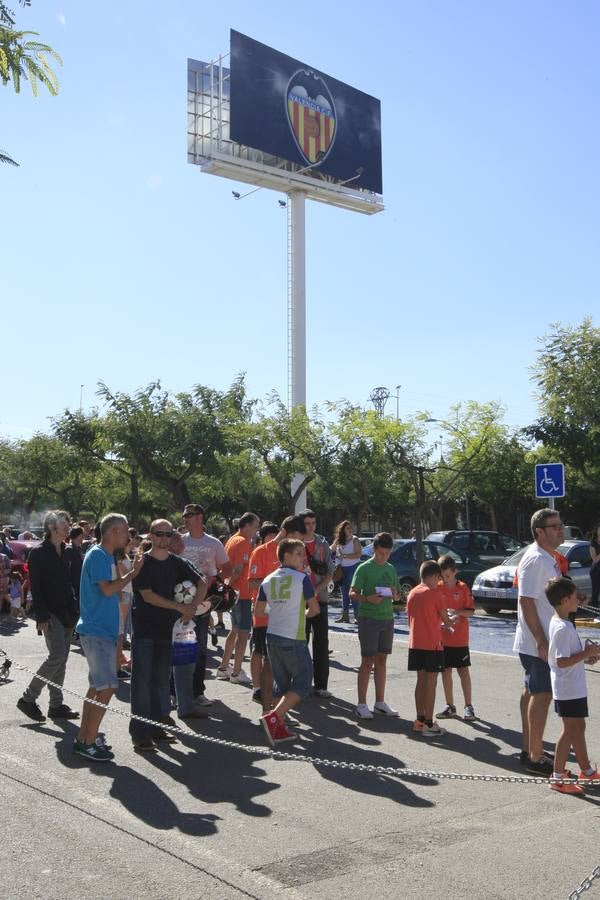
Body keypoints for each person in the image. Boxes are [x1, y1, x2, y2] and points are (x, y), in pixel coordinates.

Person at [129, 519, 207, 751]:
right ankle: (140, 733)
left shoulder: (178, 563)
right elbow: (148, 595)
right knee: (141, 683)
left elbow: (201, 582)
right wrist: (179, 607)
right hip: (144, 630)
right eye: (159, 534)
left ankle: (156, 728)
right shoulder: (142, 563)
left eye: (168, 534)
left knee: (160, 682)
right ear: (151, 536)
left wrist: (192, 607)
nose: (164, 538)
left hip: (168, 632)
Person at [75, 514, 144, 762]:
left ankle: (85, 738)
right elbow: (107, 589)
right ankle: (88, 741)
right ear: (114, 532)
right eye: (125, 531)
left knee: (97, 687)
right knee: (108, 687)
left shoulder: (104, 555)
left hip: (100, 631)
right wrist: (132, 573)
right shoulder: (99, 555)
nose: (128, 536)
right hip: (96, 631)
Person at [513, 508, 565, 775]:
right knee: (542, 694)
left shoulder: (547, 557)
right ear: (539, 532)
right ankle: (534, 757)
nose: (560, 529)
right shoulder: (536, 560)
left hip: (537, 640)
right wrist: (542, 641)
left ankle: (528, 748)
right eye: (554, 526)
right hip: (538, 642)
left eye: (560, 524)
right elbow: (526, 602)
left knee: (532, 692)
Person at [16, 511, 80, 723]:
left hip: (69, 612)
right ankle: (28, 698)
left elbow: (77, 584)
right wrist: (41, 616)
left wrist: (80, 610)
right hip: (50, 613)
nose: (68, 526)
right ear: (52, 526)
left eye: (69, 522)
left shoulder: (70, 551)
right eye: (64, 522)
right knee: (56, 657)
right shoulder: (38, 553)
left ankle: (56, 705)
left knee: (61, 660)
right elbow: (37, 586)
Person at [255, 538, 319, 746]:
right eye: (299, 553)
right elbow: (315, 610)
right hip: (293, 637)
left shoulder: (268, 579)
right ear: (286, 556)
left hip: (272, 635)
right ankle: (273, 718)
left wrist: (279, 610)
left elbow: (258, 611)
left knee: (281, 684)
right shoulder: (302, 578)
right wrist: (301, 613)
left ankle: (276, 726)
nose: (303, 557)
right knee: (302, 683)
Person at [546, 576, 600, 794]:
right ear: (566, 600)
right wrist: (586, 653)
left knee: (579, 727)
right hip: (567, 688)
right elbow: (560, 661)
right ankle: (558, 776)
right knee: (569, 730)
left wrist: (586, 657)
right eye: (575, 595)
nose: (579, 598)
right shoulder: (561, 628)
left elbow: (568, 657)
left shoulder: (564, 623)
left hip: (573, 686)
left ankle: (586, 770)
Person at [180, 502, 232, 704]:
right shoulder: (179, 541)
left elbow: (227, 568)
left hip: (203, 603)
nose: (185, 518)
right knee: (181, 647)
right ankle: (176, 692)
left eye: (189, 514)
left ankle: (197, 692)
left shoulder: (213, 543)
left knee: (200, 648)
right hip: (181, 602)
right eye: (184, 515)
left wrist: (215, 578)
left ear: (200, 517)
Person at [349, 531, 399, 718]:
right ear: (374, 550)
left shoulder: (391, 569)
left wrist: (395, 594)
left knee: (382, 660)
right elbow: (352, 593)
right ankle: (361, 704)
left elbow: (398, 596)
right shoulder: (364, 568)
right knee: (367, 661)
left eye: (387, 554)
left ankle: (380, 701)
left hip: (387, 618)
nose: (383, 557)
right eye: (380, 553)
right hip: (368, 618)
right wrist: (367, 598)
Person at [406, 560, 454, 737]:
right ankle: (428, 722)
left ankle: (419, 720)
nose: (439, 582)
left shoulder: (411, 593)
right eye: (438, 578)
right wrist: (454, 619)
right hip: (432, 644)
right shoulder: (435, 594)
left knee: (421, 681)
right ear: (434, 576)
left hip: (415, 643)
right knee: (431, 683)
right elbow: (447, 620)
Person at [217, 512, 260, 685]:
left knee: (235, 630)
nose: (257, 530)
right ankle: (236, 672)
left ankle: (223, 667)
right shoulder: (242, 541)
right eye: (256, 526)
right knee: (243, 634)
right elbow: (238, 569)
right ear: (247, 525)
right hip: (241, 594)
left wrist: (227, 588)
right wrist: (229, 587)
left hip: (235, 593)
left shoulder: (232, 539)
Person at [435, 555, 476, 721]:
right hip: (442, 638)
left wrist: (457, 613)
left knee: (463, 671)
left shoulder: (463, 588)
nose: (444, 579)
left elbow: (471, 611)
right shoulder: (437, 588)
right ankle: (450, 705)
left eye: (447, 576)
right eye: (442, 576)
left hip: (459, 638)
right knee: (445, 671)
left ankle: (468, 706)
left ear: (455, 572)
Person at [300, 508, 334, 698]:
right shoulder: (294, 542)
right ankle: (302, 683)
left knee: (321, 642)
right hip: (299, 601)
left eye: (313, 523)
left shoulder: (322, 543)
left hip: (320, 599)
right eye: (307, 523)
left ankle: (321, 685)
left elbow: (330, 570)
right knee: (301, 642)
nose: (311, 527)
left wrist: (317, 589)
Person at [248, 521, 280, 709]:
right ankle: (257, 688)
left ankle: (271, 698)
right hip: (261, 613)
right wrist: (272, 581)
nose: (274, 539)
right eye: (271, 535)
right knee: (259, 650)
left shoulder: (285, 553)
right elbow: (252, 583)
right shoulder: (259, 552)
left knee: (272, 657)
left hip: (279, 615)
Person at [331, 520, 362, 623]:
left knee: (353, 592)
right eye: (347, 528)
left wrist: (344, 556)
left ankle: (357, 616)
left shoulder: (355, 540)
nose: (350, 530)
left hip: (353, 568)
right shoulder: (340, 540)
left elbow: (358, 554)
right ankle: (345, 615)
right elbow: (333, 550)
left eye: (350, 528)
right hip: (342, 568)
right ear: (343, 530)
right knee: (344, 592)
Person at [589, 523, 600, 612]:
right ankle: (595, 612)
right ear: (596, 531)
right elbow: (595, 560)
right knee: (595, 591)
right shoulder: (593, 543)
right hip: (596, 570)